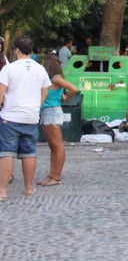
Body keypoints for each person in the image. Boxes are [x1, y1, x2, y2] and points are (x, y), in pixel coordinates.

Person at [0, 35, 51, 200]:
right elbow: (45, 92)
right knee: (29, 153)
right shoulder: (40, 69)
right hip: (31, 117)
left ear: (16, 49)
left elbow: (1, 93)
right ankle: (29, 188)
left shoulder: (9, 69)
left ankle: (2, 191)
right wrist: (36, 106)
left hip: (10, 116)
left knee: (7, 153)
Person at [37, 54, 79, 187]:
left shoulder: (56, 78)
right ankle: (51, 174)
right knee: (53, 147)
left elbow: (74, 88)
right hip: (46, 112)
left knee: (57, 146)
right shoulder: (49, 79)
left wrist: (65, 99)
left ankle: (56, 176)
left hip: (52, 112)